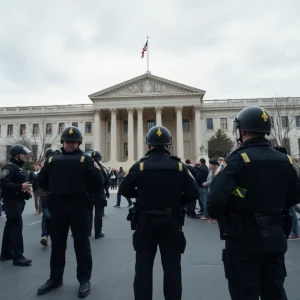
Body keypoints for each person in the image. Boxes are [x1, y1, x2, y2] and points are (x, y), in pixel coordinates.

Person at [207, 106, 300, 300]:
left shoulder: (237, 160)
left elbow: (214, 201)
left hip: (243, 238)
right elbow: (294, 196)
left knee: (245, 293)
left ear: (241, 131)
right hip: (275, 235)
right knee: (274, 291)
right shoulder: (286, 159)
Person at [119, 125, 199, 300]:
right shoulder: (179, 167)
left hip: (145, 220)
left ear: (149, 145)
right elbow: (193, 193)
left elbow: (124, 189)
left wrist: (140, 195)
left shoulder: (139, 166)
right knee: (172, 267)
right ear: (168, 145)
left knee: (143, 266)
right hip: (171, 221)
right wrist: (178, 201)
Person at [37, 127, 104, 298]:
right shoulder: (52, 160)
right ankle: (55, 279)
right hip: (58, 207)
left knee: (82, 246)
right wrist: (52, 193)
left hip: (79, 207)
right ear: (62, 143)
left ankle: (84, 280)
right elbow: (41, 181)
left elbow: (99, 182)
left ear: (79, 143)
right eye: (67, 142)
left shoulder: (86, 160)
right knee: (58, 246)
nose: (69, 145)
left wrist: (85, 194)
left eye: (73, 142)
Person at [0, 144, 33, 266]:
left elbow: (19, 183)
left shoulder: (18, 167)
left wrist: (25, 191)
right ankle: (18, 256)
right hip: (12, 202)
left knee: (10, 227)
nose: (26, 156)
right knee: (16, 228)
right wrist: (20, 187)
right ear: (17, 155)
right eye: (24, 154)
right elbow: (3, 184)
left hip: (18, 201)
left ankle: (6, 253)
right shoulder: (9, 167)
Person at [39, 148, 61, 247]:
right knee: (57, 215)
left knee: (46, 215)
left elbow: (40, 181)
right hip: (56, 194)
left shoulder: (45, 165)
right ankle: (54, 236)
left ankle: (45, 235)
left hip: (45, 194)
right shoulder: (58, 165)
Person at [89, 150, 110, 239]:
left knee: (88, 213)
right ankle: (98, 232)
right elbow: (106, 181)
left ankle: (87, 231)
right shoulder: (102, 168)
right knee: (98, 213)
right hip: (99, 193)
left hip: (89, 193)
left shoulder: (87, 167)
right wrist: (107, 191)